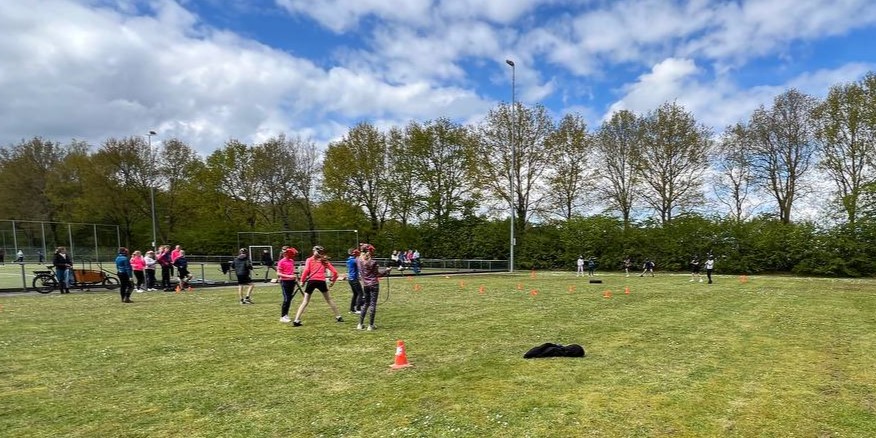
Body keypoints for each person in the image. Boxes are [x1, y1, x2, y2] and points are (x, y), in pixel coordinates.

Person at [292, 245, 343, 327]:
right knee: (329, 300)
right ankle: (338, 316)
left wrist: (302, 281)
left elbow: (306, 271)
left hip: (312, 281)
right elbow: (335, 273)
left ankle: (296, 320)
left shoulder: (309, 260)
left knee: (305, 301)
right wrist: (332, 281)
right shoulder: (324, 261)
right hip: (321, 282)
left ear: (313, 251)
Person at [356, 243, 391, 331]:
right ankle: (370, 325)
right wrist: (386, 271)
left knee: (366, 303)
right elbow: (378, 274)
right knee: (372, 304)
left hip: (365, 285)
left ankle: (360, 324)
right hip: (374, 284)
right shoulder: (373, 262)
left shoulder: (358, 260)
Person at [277, 247, 299, 323]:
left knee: (289, 299)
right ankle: (282, 316)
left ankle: (286, 314)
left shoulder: (292, 261)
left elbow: (291, 271)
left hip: (292, 282)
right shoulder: (281, 262)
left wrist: (294, 277)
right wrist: (289, 276)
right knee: (286, 299)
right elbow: (278, 273)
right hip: (284, 282)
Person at [345, 247, 364, 313]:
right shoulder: (354, 260)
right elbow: (362, 262)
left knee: (355, 294)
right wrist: (361, 254)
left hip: (350, 279)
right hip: (354, 279)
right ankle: (358, 309)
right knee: (360, 293)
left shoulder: (349, 259)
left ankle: (352, 309)